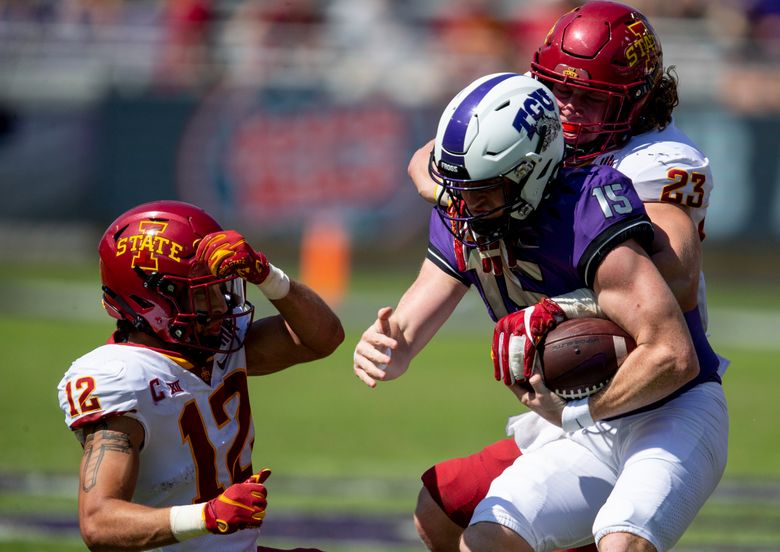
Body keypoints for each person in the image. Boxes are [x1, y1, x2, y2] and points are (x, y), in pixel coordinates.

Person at [353, 72, 727, 551]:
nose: (465, 205)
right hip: (580, 427)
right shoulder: (467, 207)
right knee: (486, 537)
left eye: (484, 189)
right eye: (458, 189)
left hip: (671, 410)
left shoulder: (586, 210)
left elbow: (674, 354)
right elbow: (411, 316)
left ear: (531, 173)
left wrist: (576, 411)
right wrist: (390, 346)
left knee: (621, 542)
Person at [57, 200, 343, 551]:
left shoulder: (218, 343)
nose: (222, 305)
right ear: (154, 301)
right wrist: (207, 515)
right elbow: (99, 523)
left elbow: (324, 338)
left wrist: (268, 276)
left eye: (221, 287)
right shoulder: (121, 378)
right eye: (204, 293)